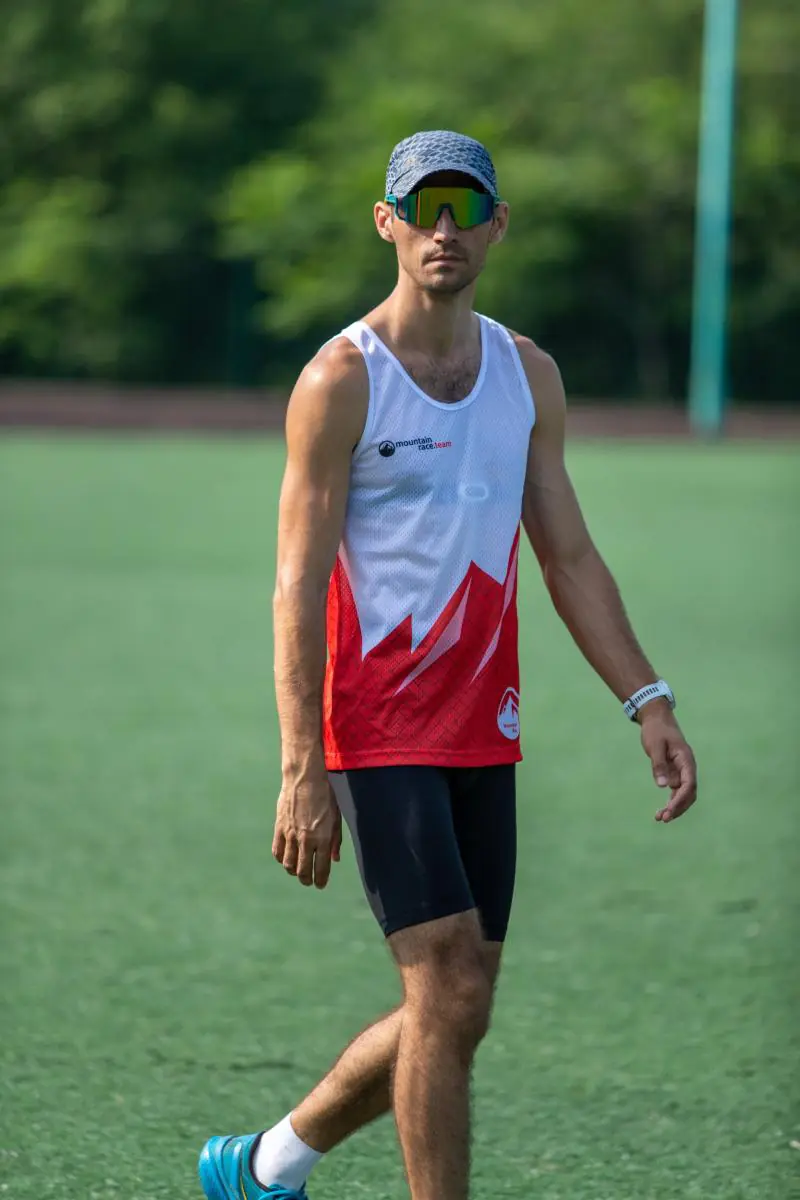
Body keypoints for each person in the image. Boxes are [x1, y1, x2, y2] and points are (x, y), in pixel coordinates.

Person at [198, 129, 698, 1200]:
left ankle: (266, 1165)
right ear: (384, 222)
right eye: (420, 209)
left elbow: (567, 555)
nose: (442, 230)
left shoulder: (527, 375)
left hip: (482, 722)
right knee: (447, 985)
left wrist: (646, 699)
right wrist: (301, 765)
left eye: (464, 209)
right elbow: (296, 583)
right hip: (374, 724)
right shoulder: (340, 378)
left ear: (495, 225)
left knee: (458, 1003)